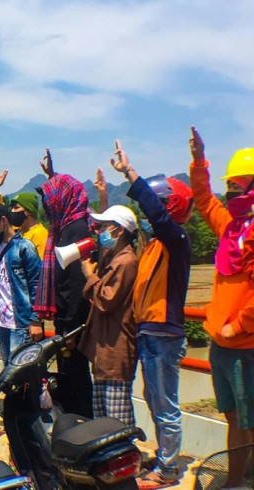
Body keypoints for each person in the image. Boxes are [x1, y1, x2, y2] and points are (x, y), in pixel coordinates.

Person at [110, 141, 193, 487]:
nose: (150, 212)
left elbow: (157, 217)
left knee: (165, 403)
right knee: (155, 399)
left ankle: (169, 468)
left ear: (171, 208)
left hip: (163, 334)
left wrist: (130, 173)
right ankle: (164, 458)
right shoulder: (156, 245)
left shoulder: (176, 239)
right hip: (150, 332)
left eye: (158, 205)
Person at [189, 127, 254, 488]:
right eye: (228, 187)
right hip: (221, 344)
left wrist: (238, 325)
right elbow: (202, 199)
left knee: (245, 421)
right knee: (233, 416)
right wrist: (199, 161)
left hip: (244, 346)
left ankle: (236, 482)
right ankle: (242, 476)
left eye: (237, 187)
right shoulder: (231, 228)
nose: (229, 194)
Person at [34, 149, 94, 418]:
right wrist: (52, 175)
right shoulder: (63, 229)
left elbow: (78, 285)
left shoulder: (77, 230)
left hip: (73, 324)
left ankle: (81, 423)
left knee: (76, 376)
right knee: (69, 376)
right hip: (66, 322)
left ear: (64, 200)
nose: (48, 206)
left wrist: (70, 331)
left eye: (51, 200)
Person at [78, 205, 139, 426]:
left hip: (116, 350)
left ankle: (124, 457)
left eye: (104, 226)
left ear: (119, 231)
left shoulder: (126, 262)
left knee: (116, 421)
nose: (99, 231)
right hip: (106, 351)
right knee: (103, 418)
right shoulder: (115, 260)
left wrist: (90, 276)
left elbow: (106, 300)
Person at [0, 199, 42, 366]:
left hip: (20, 324)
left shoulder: (25, 247)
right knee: (8, 368)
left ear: (4, 221)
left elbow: (37, 285)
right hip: (1, 324)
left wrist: (35, 320)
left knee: (19, 372)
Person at [0, 172, 49, 257]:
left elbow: (40, 267)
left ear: (28, 211)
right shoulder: (17, 230)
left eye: (16, 208)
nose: (12, 211)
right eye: (12, 208)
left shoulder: (41, 235)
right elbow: (0, 213)